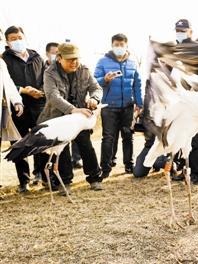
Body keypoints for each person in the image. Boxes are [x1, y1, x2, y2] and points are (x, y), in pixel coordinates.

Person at [37, 43, 103, 195]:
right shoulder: (49, 73)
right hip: (57, 117)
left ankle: (94, 178)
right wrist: (72, 110)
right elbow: (53, 96)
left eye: (76, 59)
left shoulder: (84, 70)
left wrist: (94, 99)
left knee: (85, 145)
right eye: (69, 59)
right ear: (59, 58)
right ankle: (64, 183)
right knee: (62, 150)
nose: (74, 62)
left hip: (80, 117)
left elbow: (96, 88)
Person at [2, 26, 46, 191]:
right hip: (17, 107)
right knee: (19, 143)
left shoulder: (36, 56)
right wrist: (23, 89)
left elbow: (45, 76)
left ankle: (41, 175)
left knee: (41, 140)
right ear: (7, 41)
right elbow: (6, 84)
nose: (17, 41)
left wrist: (40, 91)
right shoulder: (4, 59)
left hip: (39, 104)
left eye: (19, 37)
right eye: (13, 39)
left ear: (24, 37)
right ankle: (23, 181)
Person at [94, 33, 142, 178]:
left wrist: (139, 104)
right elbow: (94, 82)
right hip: (109, 106)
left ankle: (129, 165)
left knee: (128, 136)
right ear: (112, 45)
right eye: (116, 45)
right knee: (108, 137)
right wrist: (105, 79)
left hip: (127, 106)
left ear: (126, 45)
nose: (119, 47)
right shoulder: (102, 61)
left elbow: (137, 85)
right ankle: (105, 167)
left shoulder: (133, 63)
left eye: (122, 45)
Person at [171, 19, 198, 184]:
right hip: (177, 99)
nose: (180, 32)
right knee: (182, 136)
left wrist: (195, 87)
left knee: (194, 136)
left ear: (190, 31)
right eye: (177, 29)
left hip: (193, 97)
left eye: (183, 30)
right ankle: (184, 170)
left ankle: (197, 175)